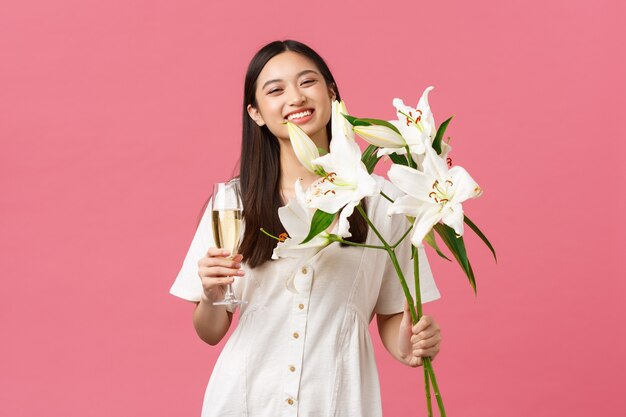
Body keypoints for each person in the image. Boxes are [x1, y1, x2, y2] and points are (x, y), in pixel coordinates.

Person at [170, 40, 442, 417]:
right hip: (244, 400)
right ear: (257, 113)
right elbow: (211, 332)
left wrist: (410, 346)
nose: (295, 98)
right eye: (276, 90)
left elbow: (394, 314)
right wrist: (212, 292)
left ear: (331, 93)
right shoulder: (232, 204)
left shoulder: (385, 200)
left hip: (339, 400)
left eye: (307, 82)